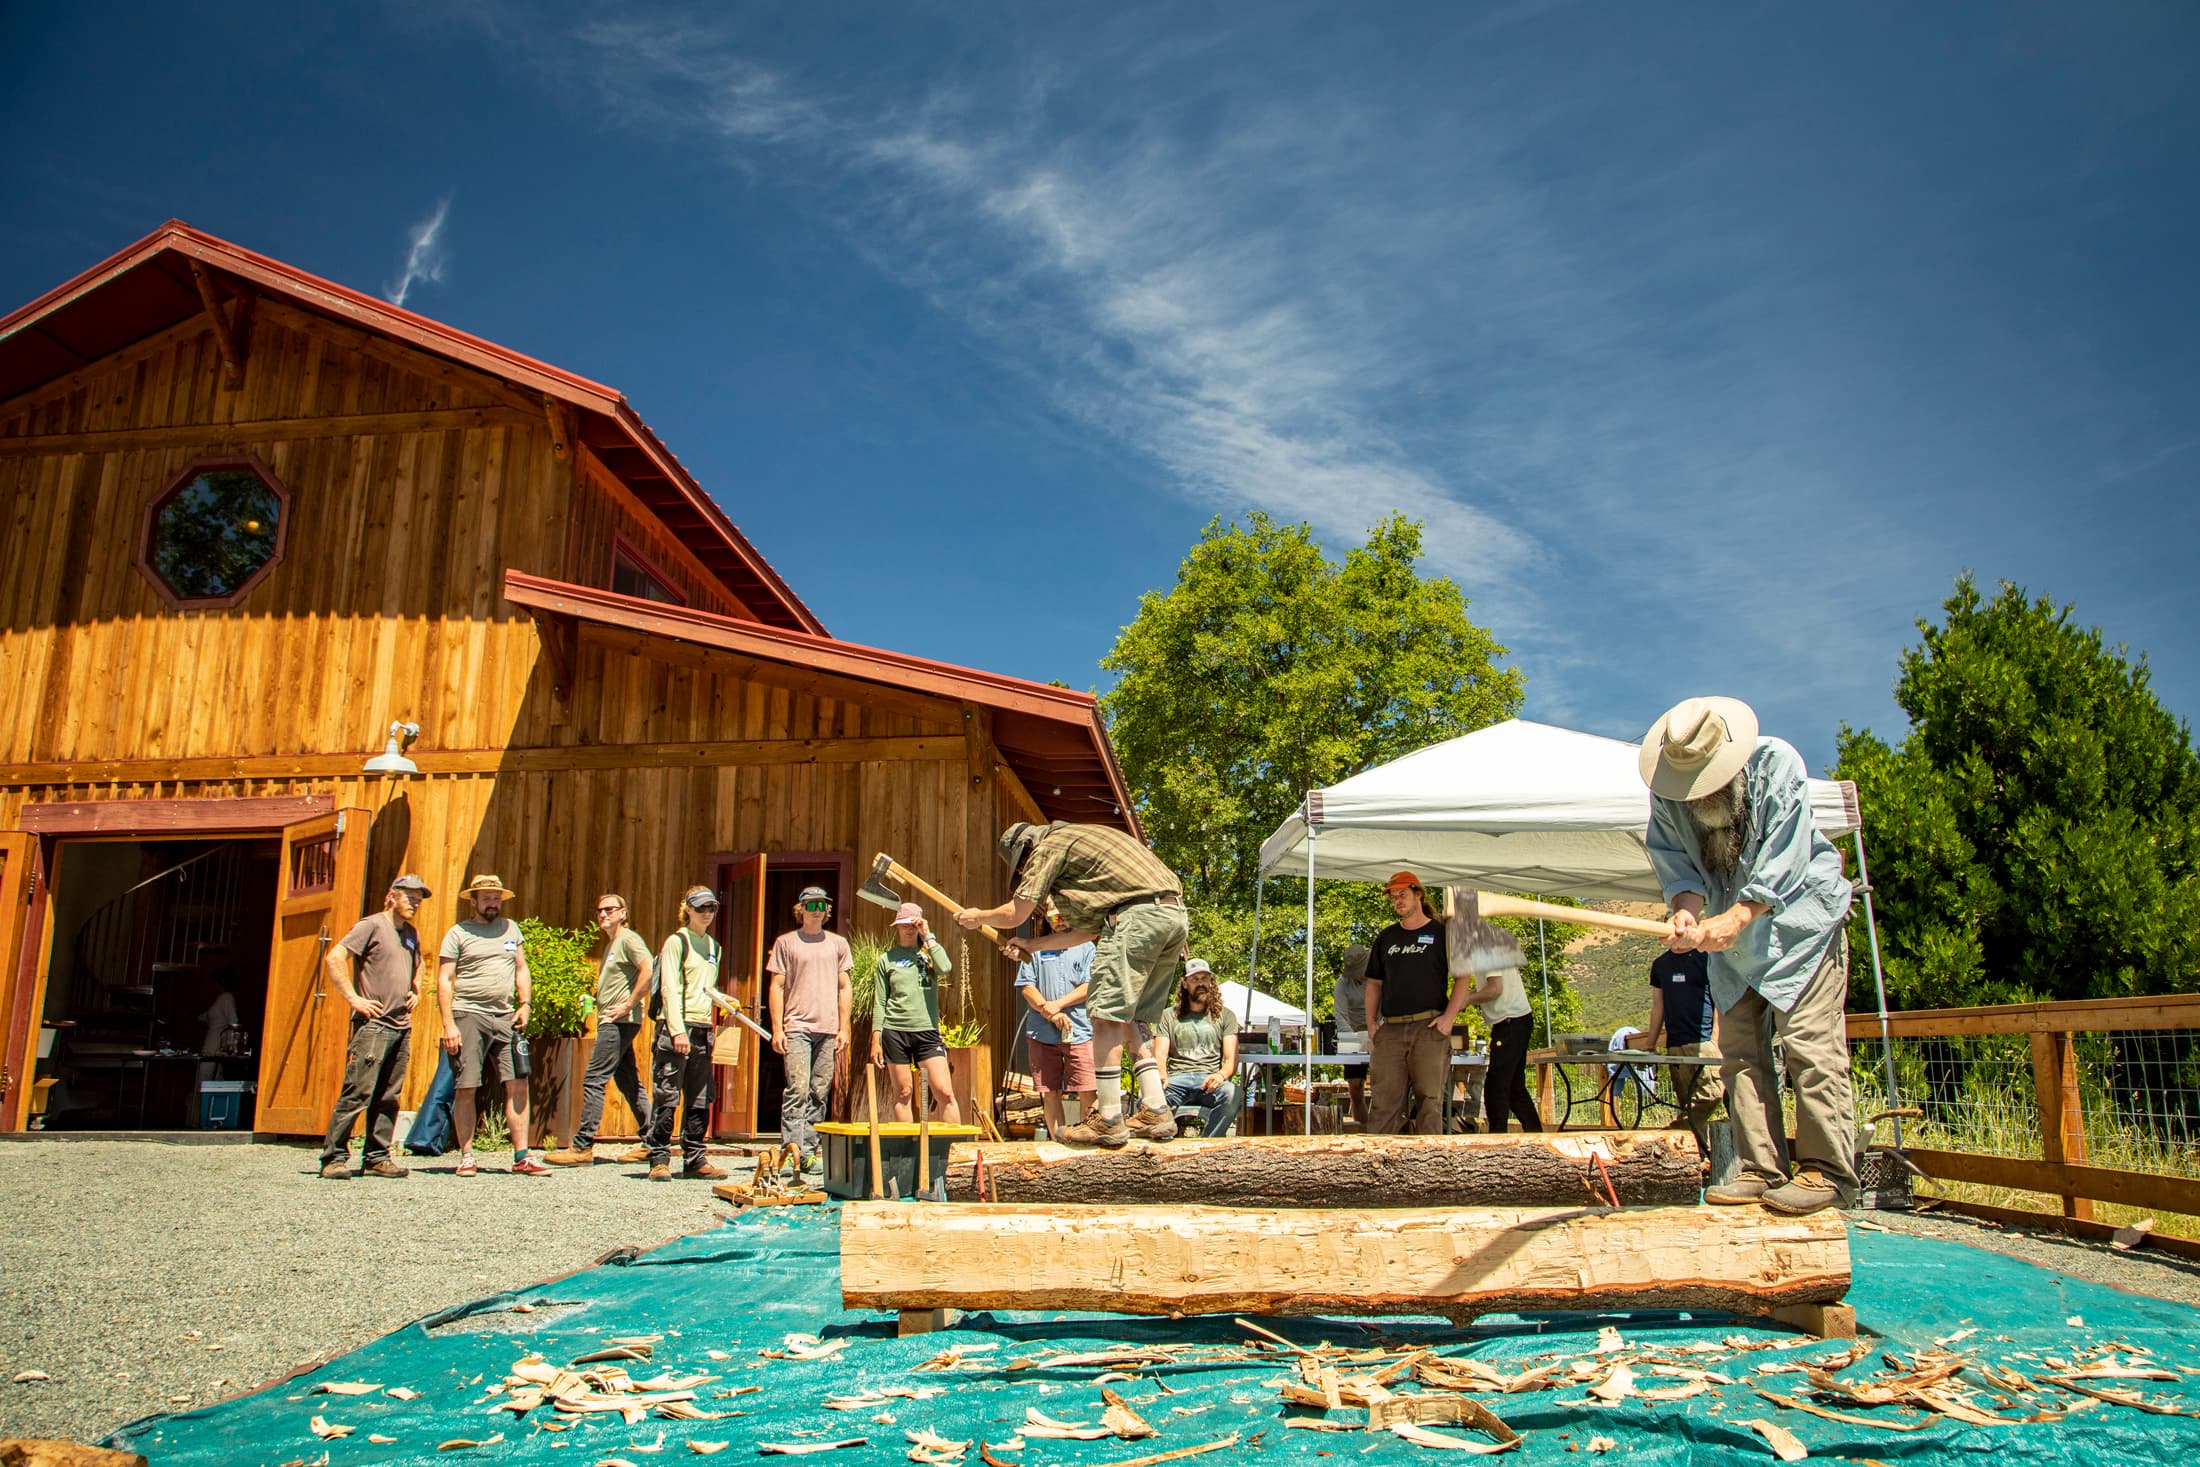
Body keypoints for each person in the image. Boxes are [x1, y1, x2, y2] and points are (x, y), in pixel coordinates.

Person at [1643, 696, 1858, 1216]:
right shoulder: (1668, 796)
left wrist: (1738, 917)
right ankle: (1760, 1168)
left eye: (1707, 783)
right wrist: (1687, 915)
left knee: (1809, 1049)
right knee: (1739, 1055)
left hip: (1800, 930)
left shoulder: (1778, 765)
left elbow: (1785, 859)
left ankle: (1826, 1172)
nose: (1699, 795)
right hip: (1731, 942)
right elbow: (1678, 868)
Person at [959, 821, 1188, 1149]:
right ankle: (1155, 1108)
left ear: (1026, 849)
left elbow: (1015, 913)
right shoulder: (1090, 846)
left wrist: (979, 916)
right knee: (1132, 1018)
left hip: (1135, 919)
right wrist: (1031, 946)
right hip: (1172, 917)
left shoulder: (1049, 844)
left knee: (1104, 1016)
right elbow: (1087, 933)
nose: (1025, 872)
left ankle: (1108, 1118)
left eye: (1022, 867)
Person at [318, 875, 430, 1179]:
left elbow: (420, 964)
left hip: (401, 1026)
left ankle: (377, 1157)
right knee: (357, 1092)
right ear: (392, 896)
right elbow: (335, 958)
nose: (415, 903)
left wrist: (416, 990)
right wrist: (354, 999)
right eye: (410, 897)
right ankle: (333, 1158)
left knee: (388, 1096)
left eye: (419, 899)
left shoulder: (411, 934)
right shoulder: (371, 926)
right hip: (374, 1025)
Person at [437, 874, 547, 1177]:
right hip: (468, 1014)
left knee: (518, 1082)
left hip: (506, 1016)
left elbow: (521, 968)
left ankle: (522, 1156)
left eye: (496, 898)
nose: (492, 903)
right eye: (486, 898)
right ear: (473, 901)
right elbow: (445, 979)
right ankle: (467, 1155)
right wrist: (448, 1024)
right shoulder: (458, 933)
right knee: (467, 1084)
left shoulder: (511, 929)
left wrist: (525, 1003)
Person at [544, 893, 655, 1166]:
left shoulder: (629, 939)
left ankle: (582, 1147)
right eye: (599, 911)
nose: (603, 914)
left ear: (623, 913)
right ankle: (653, 1142)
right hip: (616, 1020)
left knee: (594, 1078)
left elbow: (649, 969)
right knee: (628, 1082)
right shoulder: (613, 944)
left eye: (610, 909)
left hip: (618, 1022)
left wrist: (628, 1004)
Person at [646, 885, 730, 1181]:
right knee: (667, 1093)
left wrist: (724, 1001)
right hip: (676, 1027)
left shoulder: (714, 947)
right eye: (701, 908)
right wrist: (677, 1030)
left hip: (703, 1028)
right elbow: (669, 987)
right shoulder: (676, 942)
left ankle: (695, 1158)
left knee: (700, 1095)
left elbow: (705, 987)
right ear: (688, 909)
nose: (707, 913)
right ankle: (659, 1158)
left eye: (712, 908)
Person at [767, 885, 852, 1175]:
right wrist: (777, 1028)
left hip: (827, 1028)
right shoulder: (786, 943)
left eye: (822, 906)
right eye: (811, 905)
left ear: (827, 910)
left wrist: (844, 1028)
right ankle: (790, 1152)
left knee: (819, 1091)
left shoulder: (838, 944)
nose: (817, 911)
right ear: (800, 909)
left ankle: (808, 1153)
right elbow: (777, 986)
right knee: (797, 1089)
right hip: (797, 1026)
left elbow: (844, 987)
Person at [1363, 871, 1456, 1135]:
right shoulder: (1386, 937)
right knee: (1384, 1102)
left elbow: (1463, 977)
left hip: (1429, 1026)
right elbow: (1374, 983)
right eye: (1393, 897)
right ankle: (1378, 1157)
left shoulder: (1442, 934)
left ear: (1418, 894)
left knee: (1430, 1101)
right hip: (1391, 1028)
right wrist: (1370, 1022)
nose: (1398, 901)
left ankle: (1432, 1158)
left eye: (1402, 894)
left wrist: (1449, 1017)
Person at [869, 902, 961, 1126]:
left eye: (914, 924)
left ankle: (955, 1143)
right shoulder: (886, 959)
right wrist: (876, 1039)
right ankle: (906, 1146)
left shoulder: (928, 954)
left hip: (926, 1030)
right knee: (903, 1092)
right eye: (904, 924)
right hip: (895, 1031)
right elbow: (880, 1001)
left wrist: (928, 935)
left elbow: (946, 968)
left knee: (944, 1091)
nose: (909, 929)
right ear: (897, 927)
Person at [1013, 902, 1096, 1140]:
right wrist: (1048, 1011)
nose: (1059, 921)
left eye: (1064, 916)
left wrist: (1058, 1005)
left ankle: (1086, 1140)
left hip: (1079, 1030)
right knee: (1050, 1092)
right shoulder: (1036, 949)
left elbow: (1090, 986)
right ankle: (1059, 1141)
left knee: (1087, 1089)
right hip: (1042, 1032)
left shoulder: (1086, 947)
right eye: (1054, 917)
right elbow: (1027, 987)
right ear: (1047, 919)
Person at [1442, 940, 1541, 1135]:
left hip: (1510, 1020)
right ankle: (1535, 1134)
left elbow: (1495, 989)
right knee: (1514, 1087)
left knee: (1496, 1086)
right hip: (1515, 1019)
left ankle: (1497, 1137)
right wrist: (1464, 998)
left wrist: (1467, 999)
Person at [1645, 946, 1725, 1147]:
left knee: (1713, 1093)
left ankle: (1670, 1133)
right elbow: (1658, 1007)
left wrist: (1715, 1039)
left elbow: (1719, 999)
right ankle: (1698, 1156)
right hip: (1675, 1045)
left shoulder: (1706, 958)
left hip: (1703, 1042)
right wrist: (1650, 1044)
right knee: (1687, 1103)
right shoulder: (1660, 964)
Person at [1153, 960, 1241, 1137]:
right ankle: (1163, 1142)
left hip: (1208, 1080)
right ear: (1185, 984)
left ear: (1211, 982)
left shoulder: (1226, 1016)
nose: (1201, 983)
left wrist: (1220, 1075)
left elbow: (1231, 1059)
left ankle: (1210, 1142)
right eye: (1195, 979)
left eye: (1204, 978)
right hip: (1176, 1080)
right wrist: (1161, 1074)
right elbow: (1160, 1055)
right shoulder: (1168, 1016)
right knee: (1148, 1096)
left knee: (1232, 1093)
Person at [1332, 943, 1372, 1129]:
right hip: (1353, 1034)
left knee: (1383, 1084)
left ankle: (1383, 1127)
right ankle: (1361, 1126)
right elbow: (1340, 1016)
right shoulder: (1342, 984)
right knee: (1355, 1087)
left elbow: (1386, 1009)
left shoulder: (1381, 978)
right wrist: (1354, 1040)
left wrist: (1376, 1031)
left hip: (1379, 1031)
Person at [195, 972, 241, 1084]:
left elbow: (233, 1021)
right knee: (214, 1077)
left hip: (216, 1044)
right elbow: (207, 1016)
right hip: (212, 1043)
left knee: (205, 1076)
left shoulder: (227, 998)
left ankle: (204, 1095)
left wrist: (230, 1045)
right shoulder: (219, 1000)